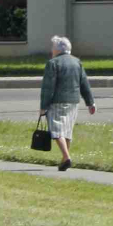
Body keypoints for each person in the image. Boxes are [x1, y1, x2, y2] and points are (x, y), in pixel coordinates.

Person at [39, 34, 95, 171]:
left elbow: (48, 87)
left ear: (58, 49)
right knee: (67, 130)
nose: (51, 50)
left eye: (53, 47)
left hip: (57, 102)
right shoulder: (77, 62)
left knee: (57, 130)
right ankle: (64, 160)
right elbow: (84, 83)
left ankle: (66, 156)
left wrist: (43, 106)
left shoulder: (53, 63)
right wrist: (90, 102)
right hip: (74, 102)